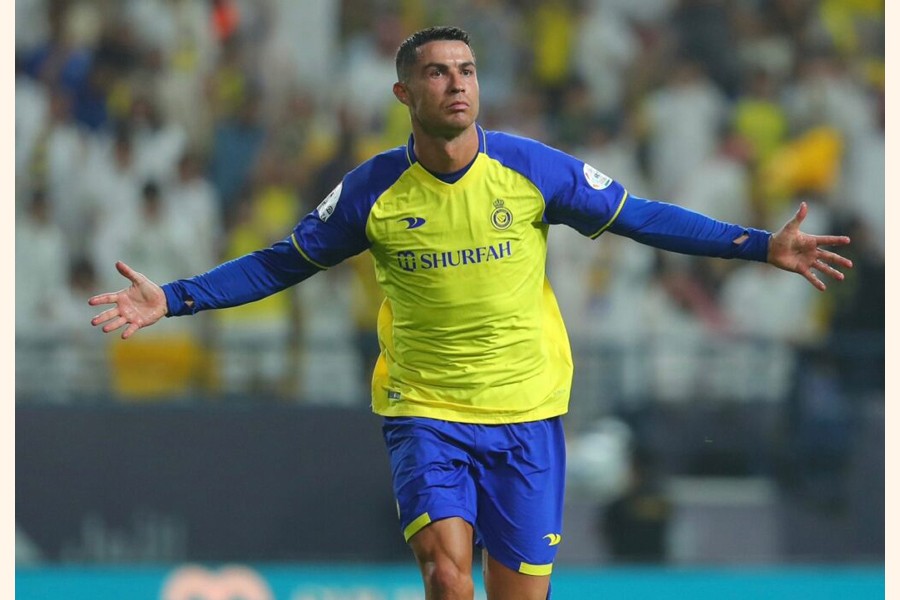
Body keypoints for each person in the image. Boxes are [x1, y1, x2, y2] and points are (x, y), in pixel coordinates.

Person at [90, 26, 852, 600]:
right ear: (404, 95)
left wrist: (761, 246)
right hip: (425, 411)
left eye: (467, 71)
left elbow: (642, 216)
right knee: (448, 579)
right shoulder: (372, 192)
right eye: (437, 72)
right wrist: (175, 297)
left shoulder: (531, 169)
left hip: (527, 412)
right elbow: (281, 261)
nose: (457, 84)